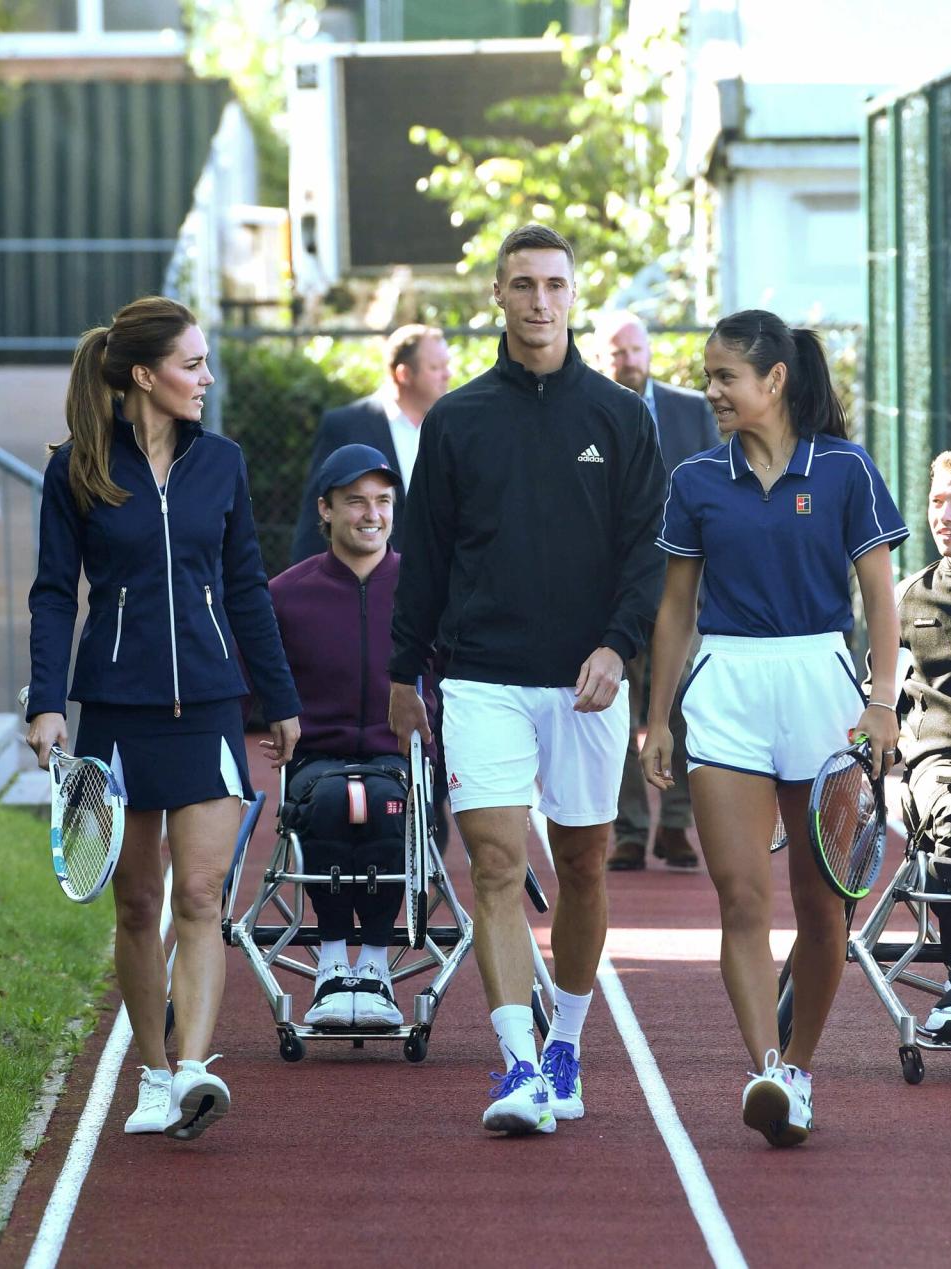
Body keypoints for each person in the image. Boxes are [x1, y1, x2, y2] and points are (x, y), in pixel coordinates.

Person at [388, 224, 666, 1136]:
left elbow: (645, 556)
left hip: (585, 681)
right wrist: (402, 672)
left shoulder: (622, 418)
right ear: (498, 298)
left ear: (573, 295)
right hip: (482, 680)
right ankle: (515, 1065)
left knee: (585, 863)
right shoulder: (457, 420)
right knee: (497, 866)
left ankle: (566, 1046)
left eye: (555, 284)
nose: (540, 300)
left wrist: (617, 646)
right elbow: (422, 560)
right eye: (523, 284)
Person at [25, 296, 301, 1142]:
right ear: (144, 375)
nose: (207, 379)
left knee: (205, 894)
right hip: (114, 714)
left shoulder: (221, 462)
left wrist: (280, 697)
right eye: (193, 364)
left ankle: (192, 1069)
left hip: (211, 708)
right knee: (139, 903)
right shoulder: (77, 467)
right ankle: (151, 1072)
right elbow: (48, 594)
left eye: (207, 362)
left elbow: (248, 585)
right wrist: (44, 704)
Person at [641, 308, 906, 1147]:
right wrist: (657, 718)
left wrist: (882, 697)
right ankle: (767, 1069)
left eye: (724, 377)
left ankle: (799, 1064)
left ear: (774, 380)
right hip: (725, 692)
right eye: (708, 376)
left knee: (824, 907)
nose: (710, 390)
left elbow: (880, 597)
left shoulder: (847, 470)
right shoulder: (693, 480)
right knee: (741, 898)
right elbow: (675, 608)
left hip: (822, 689)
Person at [268, 443, 437, 1030]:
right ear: (326, 510)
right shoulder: (286, 593)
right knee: (341, 801)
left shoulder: (425, 588)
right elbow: (258, 678)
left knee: (391, 808)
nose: (372, 514)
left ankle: (376, 967)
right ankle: (333, 964)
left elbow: (453, 676)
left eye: (383, 502)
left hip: (402, 763)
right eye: (356, 501)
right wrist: (272, 714)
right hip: (318, 763)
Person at [592, 310, 719, 871]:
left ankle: (674, 824)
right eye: (618, 352)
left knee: (683, 702)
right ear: (601, 356)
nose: (630, 361)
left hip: (681, 584)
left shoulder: (692, 410)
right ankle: (628, 829)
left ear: (650, 352)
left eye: (636, 350)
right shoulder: (588, 412)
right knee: (615, 705)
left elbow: (718, 484)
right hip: (611, 585)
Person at [291, 324, 451, 563]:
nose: (448, 374)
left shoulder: (450, 429)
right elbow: (315, 518)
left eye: (447, 365)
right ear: (404, 374)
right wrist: (306, 589)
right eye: (436, 367)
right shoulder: (347, 424)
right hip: (365, 585)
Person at [895, 450, 951, 1040]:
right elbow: (877, 689)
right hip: (940, 761)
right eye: (938, 500)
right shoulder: (910, 596)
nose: (946, 514)